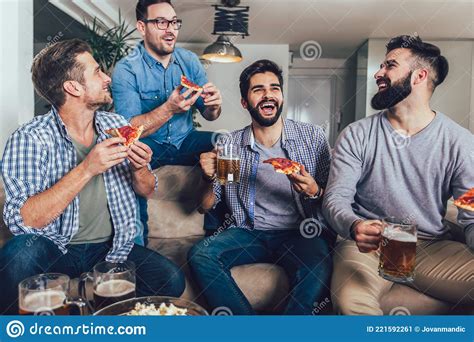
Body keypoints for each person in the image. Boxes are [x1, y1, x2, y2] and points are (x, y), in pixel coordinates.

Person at [0, 39, 185, 314]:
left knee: (170, 279)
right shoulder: (30, 138)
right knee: (17, 256)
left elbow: (146, 190)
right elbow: (24, 220)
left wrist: (140, 169)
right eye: (97, 72)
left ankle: (103, 324)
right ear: (73, 87)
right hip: (56, 249)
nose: (107, 78)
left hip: (109, 249)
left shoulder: (117, 125)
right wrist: (87, 168)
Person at [322, 35, 474, 315]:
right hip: (368, 247)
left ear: (420, 76)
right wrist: (354, 226)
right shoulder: (356, 135)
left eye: (390, 65)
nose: (379, 73)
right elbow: (335, 199)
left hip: (428, 246)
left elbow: (470, 215)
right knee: (351, 304)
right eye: (381, 65)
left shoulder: (459, 142)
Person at [187, 59, 335, 315]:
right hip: (248, 232)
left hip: (301, 232)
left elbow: (334, 198)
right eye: (258, 90)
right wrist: (209, 177)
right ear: (245, 103)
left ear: (281, 95)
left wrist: (314, 190)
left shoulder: (312, 138)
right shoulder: (231, 145)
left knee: (319, 264)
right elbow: (205, 206)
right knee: (200, 255)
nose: (268, 95)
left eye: (274, 88)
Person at [112, 0, 223, 245]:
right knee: (128, 160)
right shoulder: (126, 70)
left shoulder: (190, 61)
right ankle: (136, 245)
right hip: (152, 143)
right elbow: (128, 130)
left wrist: (214, 105)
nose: (170, 29)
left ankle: (219, 230)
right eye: (161, 22)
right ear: (142, 27)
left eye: (174, 22)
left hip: (186, 140)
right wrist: (168, 109)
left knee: (227, 143)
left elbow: (209, 114)